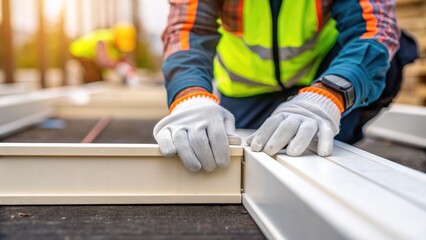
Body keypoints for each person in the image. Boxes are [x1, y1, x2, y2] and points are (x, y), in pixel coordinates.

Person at [154, 0, 418, 172]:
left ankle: (339, 132)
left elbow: (373, 29)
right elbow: (187, 29)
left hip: (320, 77)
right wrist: (190, 96)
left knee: (390, 55)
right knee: (231, 156)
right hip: (248, 92)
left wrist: (330, 95)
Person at [69, 22, 139, 85]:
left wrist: (129, 67)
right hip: (80, 53)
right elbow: (102, 62)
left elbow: (121, 58)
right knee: (93, 76)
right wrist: (119, 65)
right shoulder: (103, 40)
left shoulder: (117, 44)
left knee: (99, 78)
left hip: (92, 56)